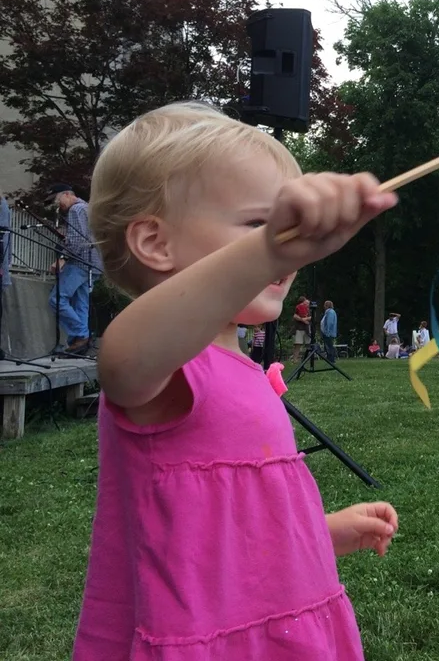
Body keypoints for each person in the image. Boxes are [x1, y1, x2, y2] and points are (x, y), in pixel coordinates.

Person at [77, 102, 399, 660]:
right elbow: (122, 358)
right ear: (155, 242)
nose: (286, 241)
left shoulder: (241, 368)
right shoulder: (164, 364)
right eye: (259, 223)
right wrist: (267, 250)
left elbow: (221, 533)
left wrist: (318, 533)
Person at [49, 183, 103, 353]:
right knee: (81, 305)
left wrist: (62, 258)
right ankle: (79, 345)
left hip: (79, 262)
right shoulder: (87, 208)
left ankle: (81, 335)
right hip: (94, 263)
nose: (57, 205)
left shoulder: (75, 210)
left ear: (67, 194)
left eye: (56, 199)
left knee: (57, 299)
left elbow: (77, 240)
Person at [290, 296, 311, 363]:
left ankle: (307, 359)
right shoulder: (298, 308)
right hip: (299, 329)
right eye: (306, 303)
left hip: (307, 329)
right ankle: (295, 359)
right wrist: (303, 320)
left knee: (308, 344)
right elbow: (295, 316)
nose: (307, 304)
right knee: (298, 344)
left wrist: (305, 319)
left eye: (308, 303)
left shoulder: (309, 310)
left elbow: (312, 317)